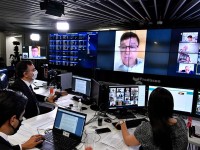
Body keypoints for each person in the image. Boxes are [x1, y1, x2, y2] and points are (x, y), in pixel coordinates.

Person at [116, 87, 188, 150]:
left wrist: (122, 122)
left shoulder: (146, 129)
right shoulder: (181, 122)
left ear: (151, 107)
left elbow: (128, 141)